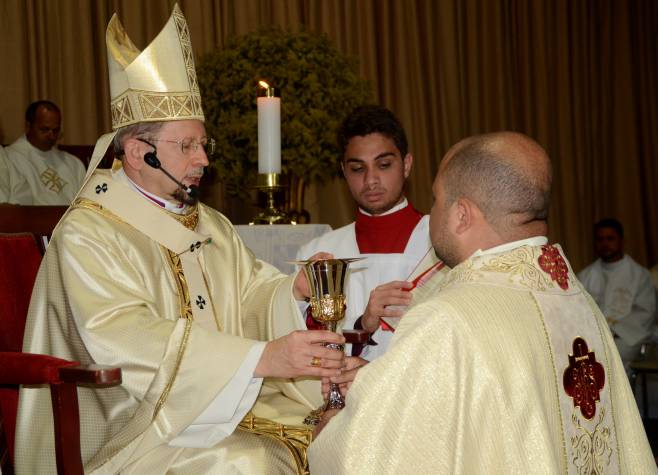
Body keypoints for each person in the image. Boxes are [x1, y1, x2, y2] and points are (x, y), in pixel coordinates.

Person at [15, 5, 344, 474]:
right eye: (187, 146)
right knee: (246, 466)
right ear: (137, 153)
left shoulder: (210, 225)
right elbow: (123, 338)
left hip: (229, 404)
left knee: (346, 429)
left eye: (203, 144)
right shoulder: (88, 233)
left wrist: (291, 290)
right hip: (132, 428)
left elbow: (247, 293)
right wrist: (260, 357)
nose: (203, 160)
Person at [308, 132, 655, 473]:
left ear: (461, 214)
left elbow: (365, 457)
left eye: (436, 199)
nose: (433, 213)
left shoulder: (448, 316)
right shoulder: (576, 298)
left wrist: (335, 420)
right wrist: (383, 383)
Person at [297, 105, 446, 360]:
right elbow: (303, 348)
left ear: (406, 165)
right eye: (358, 169)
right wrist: (362, 326)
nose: (370, 180)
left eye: (384, 165)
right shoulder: (318, 254)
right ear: (344, 171)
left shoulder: (442, 241)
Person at [578, 218, 656, 372]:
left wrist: (614, 331)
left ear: (621, 240)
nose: (605, 244)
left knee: (609, 357)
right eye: (600, 239)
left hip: (626, 337)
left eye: (610, 239)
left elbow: (645, 312)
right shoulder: (585, 276)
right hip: (592, 335)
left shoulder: (640, 275)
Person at [4, 100, 86, 205]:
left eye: (55, 130)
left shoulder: (73, 163)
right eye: (44, 129)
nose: (51, 136)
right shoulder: (8, 158)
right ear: (28, 126)